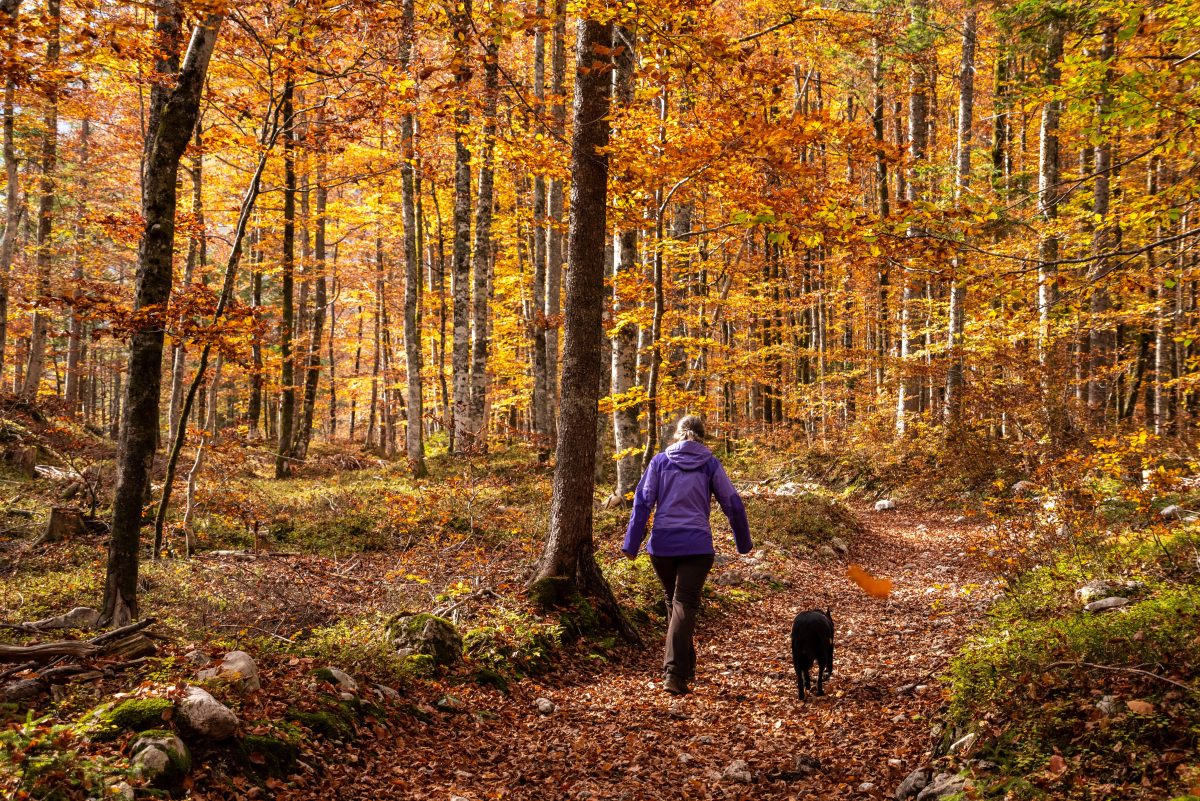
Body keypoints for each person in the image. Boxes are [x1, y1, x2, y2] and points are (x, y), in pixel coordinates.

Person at [621, 415, 752, 695]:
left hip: (663, 546)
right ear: (703, 436)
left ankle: (685, 664)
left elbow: (643, 501)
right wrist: (743, 542)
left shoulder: (660, 461)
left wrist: (632, 543)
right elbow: (732, 501)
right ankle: (675, 673)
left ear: (677, 434)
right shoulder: (709, 463)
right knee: (682, 604)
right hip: (696, 545)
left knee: (676, 604)